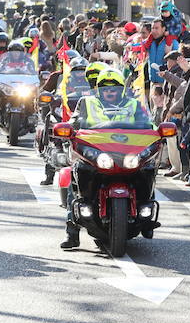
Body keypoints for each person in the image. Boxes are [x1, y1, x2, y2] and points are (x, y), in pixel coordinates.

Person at [60, 70, 150, 249]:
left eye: (114, 89)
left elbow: (149, 124)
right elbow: (74, 122)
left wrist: (159, 132)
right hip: (96, 153)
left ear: (121, 89)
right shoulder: (87, 102)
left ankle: (146, 219)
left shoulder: (133, 104)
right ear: (98, 90)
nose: (110, 92)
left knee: (147, 168)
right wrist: (68, 130)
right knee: (75, 178)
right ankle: (72, 232)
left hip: (126, 152)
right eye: (105, 89)